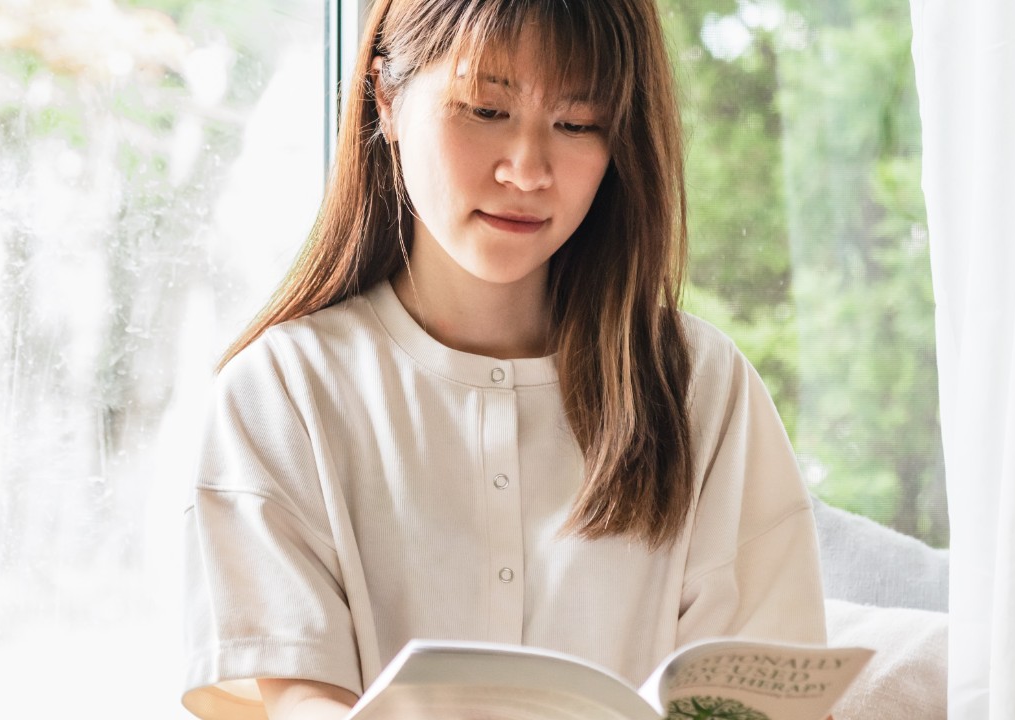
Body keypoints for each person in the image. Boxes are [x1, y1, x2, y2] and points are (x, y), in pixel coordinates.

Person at [181, 0, 827, 718]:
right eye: (486, 110)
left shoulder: (702, 385)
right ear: (385, 98)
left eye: (578, 124)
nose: (527, 170)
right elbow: (300, 698)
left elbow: (769, 693)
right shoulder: (282, 392)